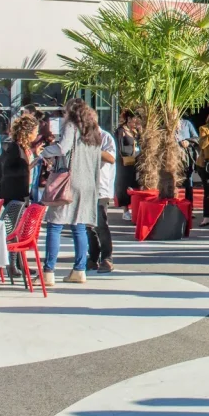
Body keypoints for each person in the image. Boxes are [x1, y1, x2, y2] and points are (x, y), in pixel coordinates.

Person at [40, 103, 103, 285]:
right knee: (79, 227)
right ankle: (79, 270)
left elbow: (62, 148)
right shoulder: (95, 132)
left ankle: (48, 272)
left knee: (55, 225)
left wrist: (44, 151)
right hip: (87, 183)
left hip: (68, 182)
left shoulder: (71, 126)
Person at [87, 123, 117, 273]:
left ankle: (107, 258)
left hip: (100, 188)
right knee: (87, 226)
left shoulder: (105, 137)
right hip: (84, 188)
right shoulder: (81, 137)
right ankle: (93, 257)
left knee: (100, 224)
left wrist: (91, 148)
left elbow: (111, 158)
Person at [0, 115, 40, 204]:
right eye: (36, 131)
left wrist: (36, 155)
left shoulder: (25, 147)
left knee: (20, 217)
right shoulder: (15, 147)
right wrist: (28, 167)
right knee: (16, 217)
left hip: (23, 191)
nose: (37, 134)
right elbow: (7, 170)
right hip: (14, 194)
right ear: (28, 133)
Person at [116, 110, 141, 221]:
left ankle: (134, 207)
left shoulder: (134, 132)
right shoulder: (121, 131)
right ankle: (125, 210)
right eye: (134, 119)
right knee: (124, 185)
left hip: (134, 160)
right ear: (129, 119)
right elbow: (119, 147)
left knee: (134, 183)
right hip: (124, 162)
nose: (135, 122)